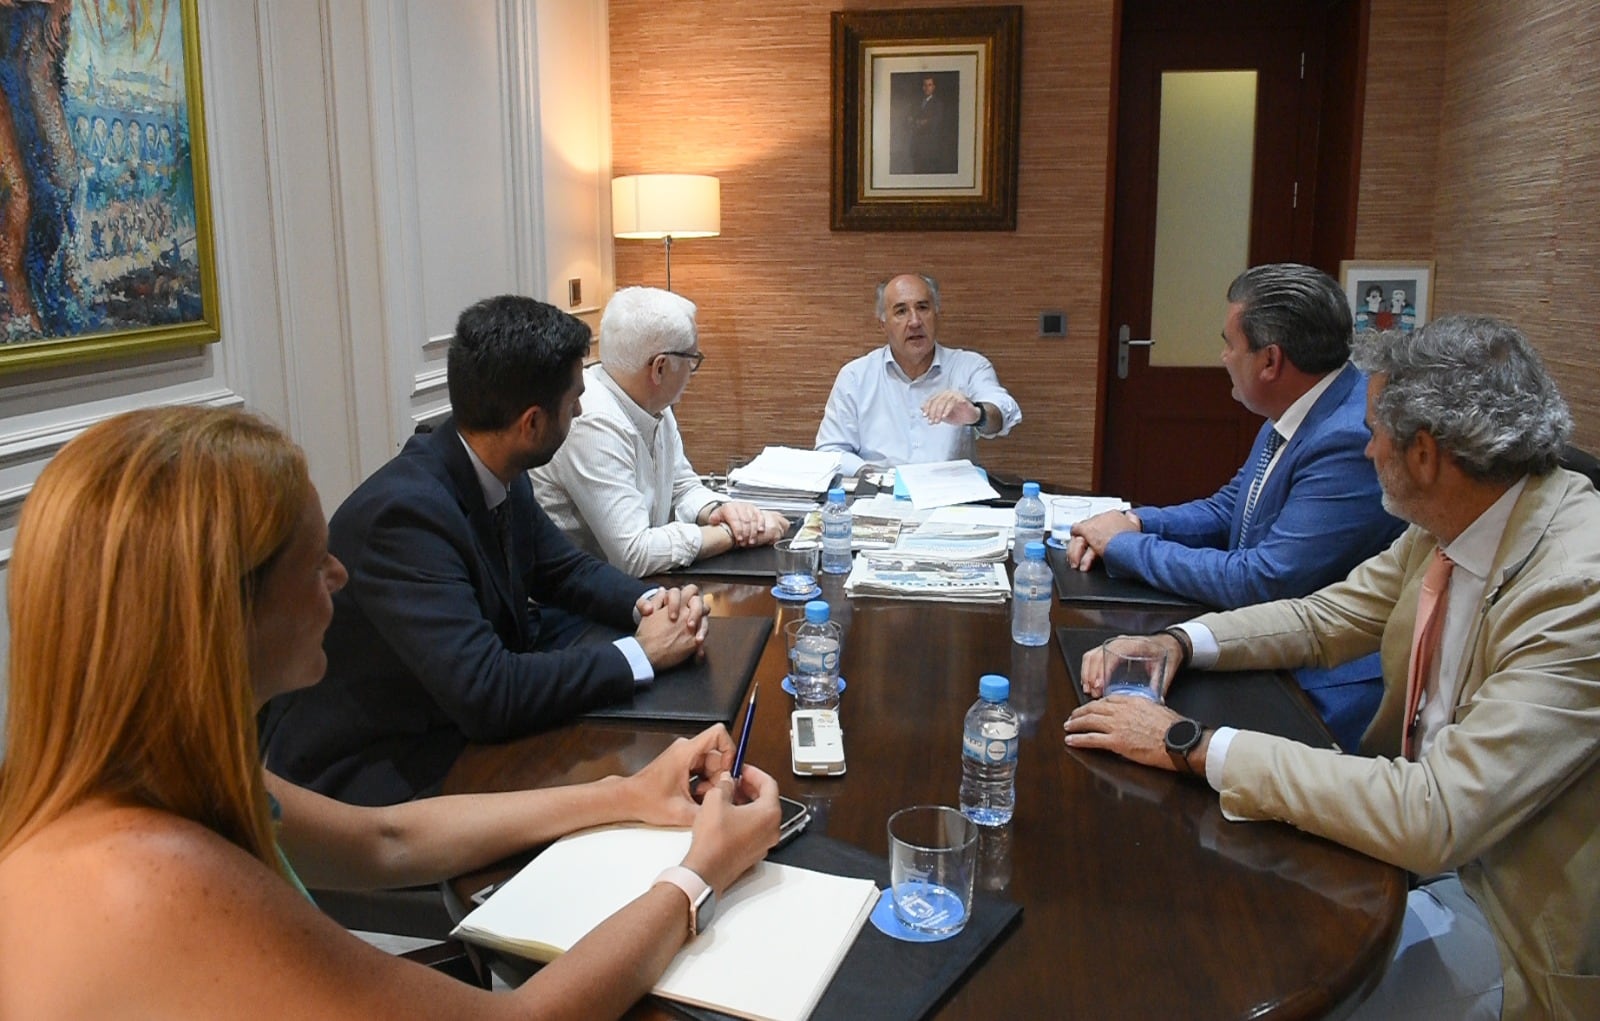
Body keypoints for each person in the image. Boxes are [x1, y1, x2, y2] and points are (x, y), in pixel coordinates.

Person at [0, 405, 780, 1018]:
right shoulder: (154, 877)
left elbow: (386, 837)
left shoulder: (153, 773)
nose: (339, 574)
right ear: (216, 618)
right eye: (312, 562)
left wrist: (628, 795)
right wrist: (699, 874)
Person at [1065, 316, 1600, 1020]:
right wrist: (1180, 642)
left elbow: (1436, 812)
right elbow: (1325, 616)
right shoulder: (1463, 512)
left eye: (1375, 429)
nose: (1366, 444)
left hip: (1501, 915)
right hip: (1408, 859)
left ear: (1427, 454)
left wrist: (1188, 742)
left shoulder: (1576, 588)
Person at [262, 295, 710, 806]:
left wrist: (652, 605)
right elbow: (488, 692)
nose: (582, 409)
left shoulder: (492, 463)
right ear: (533, 424)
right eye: (574, 400)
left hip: (454, 725)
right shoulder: (403, 519)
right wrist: (641, 652)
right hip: (382, 770)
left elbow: (563, 570)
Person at [1068, 263, 1405, 749]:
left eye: (1229, 342)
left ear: (1270, 361)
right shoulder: (1305, 403)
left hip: (1315, 689)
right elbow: (1234, 507)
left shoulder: (1349, 438)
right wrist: (1137, 519)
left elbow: (1261, 579)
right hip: (1258, 645)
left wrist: (1125, 546)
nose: (1223, 356)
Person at [531, 287, 789, 576]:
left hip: (630, 589)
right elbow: (634, 555)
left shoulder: (654, 404)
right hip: (575, 603)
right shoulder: (591, 420)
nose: (693, 371)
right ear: (660, 368)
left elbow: (682, 486)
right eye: (692, 360)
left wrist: (719, 510)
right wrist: (731, 535)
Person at [815, 272, 1021, 474]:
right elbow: (829, 451)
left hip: (952, 498)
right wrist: (871, 475)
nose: (914, 321)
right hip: (877, 497)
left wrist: (977, 414)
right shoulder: (855, 377)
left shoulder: (969, 366)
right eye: (901, 311)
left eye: (922, 308)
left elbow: (1003, 411)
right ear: (883, 324)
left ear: (937, 314)